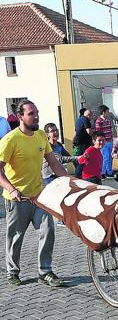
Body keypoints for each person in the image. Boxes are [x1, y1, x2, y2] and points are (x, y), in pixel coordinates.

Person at [0, 100, 68, 287]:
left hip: (39, 196)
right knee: (16, 237)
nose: (36, 116)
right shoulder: (10, 139)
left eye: (37, 112)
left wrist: (71, 181)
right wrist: (11, 189)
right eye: (31, 113)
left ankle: (45, 271)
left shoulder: (40, 136)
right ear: (20, 117)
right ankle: (12, 272)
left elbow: (53, 163)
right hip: (17, 199)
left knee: (48, 230)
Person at [72, 108, 93, 178]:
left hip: (78, 143)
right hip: (85, 143)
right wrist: (96, 132)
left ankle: (81, 174)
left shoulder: (78, 120)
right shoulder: (85, 119)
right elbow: (89, 132)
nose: (91, 117)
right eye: (90, 115)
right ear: (87, 115)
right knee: (85, 158)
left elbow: (75, 133)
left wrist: (73, 142)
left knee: (81, 158)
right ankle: (78, 175)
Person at [95, 105, 114, 178]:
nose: (108, 113)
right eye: (107, 112)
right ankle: (102, 172)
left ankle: (109, 172)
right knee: (105, 157)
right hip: (104, 143)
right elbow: (98, 133)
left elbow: (110, 130)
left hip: (110, 141)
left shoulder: (108, 120)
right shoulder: (99, 121)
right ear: (103, 112)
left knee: (110, 157)